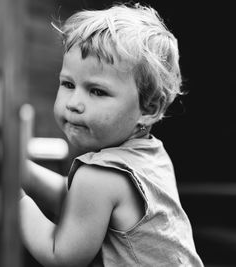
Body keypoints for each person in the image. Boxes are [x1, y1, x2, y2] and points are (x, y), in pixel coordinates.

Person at [19, 3, 204, 267]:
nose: (74, 103)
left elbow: (60, 255)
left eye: (97, 91)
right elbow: (79, 203)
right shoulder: (151, 154)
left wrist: (14, 199)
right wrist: (22, 171)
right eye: (68, 84)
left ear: (148, 108)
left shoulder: (98, 177)